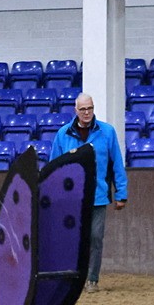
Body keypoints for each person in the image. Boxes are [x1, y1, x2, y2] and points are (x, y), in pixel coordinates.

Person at [51, 93, 128, 293]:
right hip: (70, 198)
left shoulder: (107, 132)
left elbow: (117, 164)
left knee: (95, 237)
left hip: (98, 196)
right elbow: (54, 166)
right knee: (71, 239)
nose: (87, 113)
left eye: (90, 108)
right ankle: (72, 279)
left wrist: (121, 193)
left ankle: (92, 279)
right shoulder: (62, 134)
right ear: (75, 110)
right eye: (83, 109)